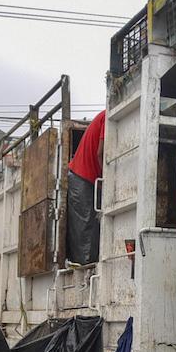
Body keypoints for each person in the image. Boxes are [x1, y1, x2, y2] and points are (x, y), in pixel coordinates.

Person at [66, 109, 106, 265]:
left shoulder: (103, 117)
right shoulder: (107, 118)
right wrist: (107, 179)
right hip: (82, 178)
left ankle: (87, 264)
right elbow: (100, 153)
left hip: (85, 178)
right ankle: (85, 269)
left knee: (89, 225)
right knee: (86, 228)